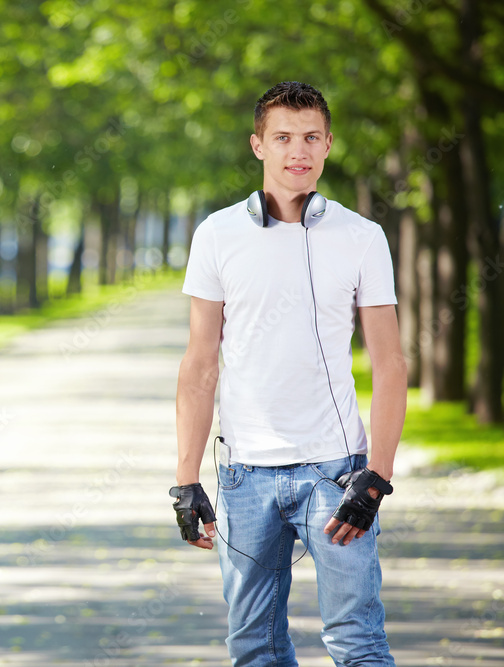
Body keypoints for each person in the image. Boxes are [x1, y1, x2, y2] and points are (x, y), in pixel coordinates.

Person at [170, 81, 408, 666]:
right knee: (254, 647)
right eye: (282, 137)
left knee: (357, 641)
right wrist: (186, 480)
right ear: (258, 146)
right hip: (244, 477)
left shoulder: (362, 237)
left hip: (336, 475)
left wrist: (376, 476)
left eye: (310, 137)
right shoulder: (217, 234)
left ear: (328, 145)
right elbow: (199, 365)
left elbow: (390, 363)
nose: (297, 150)